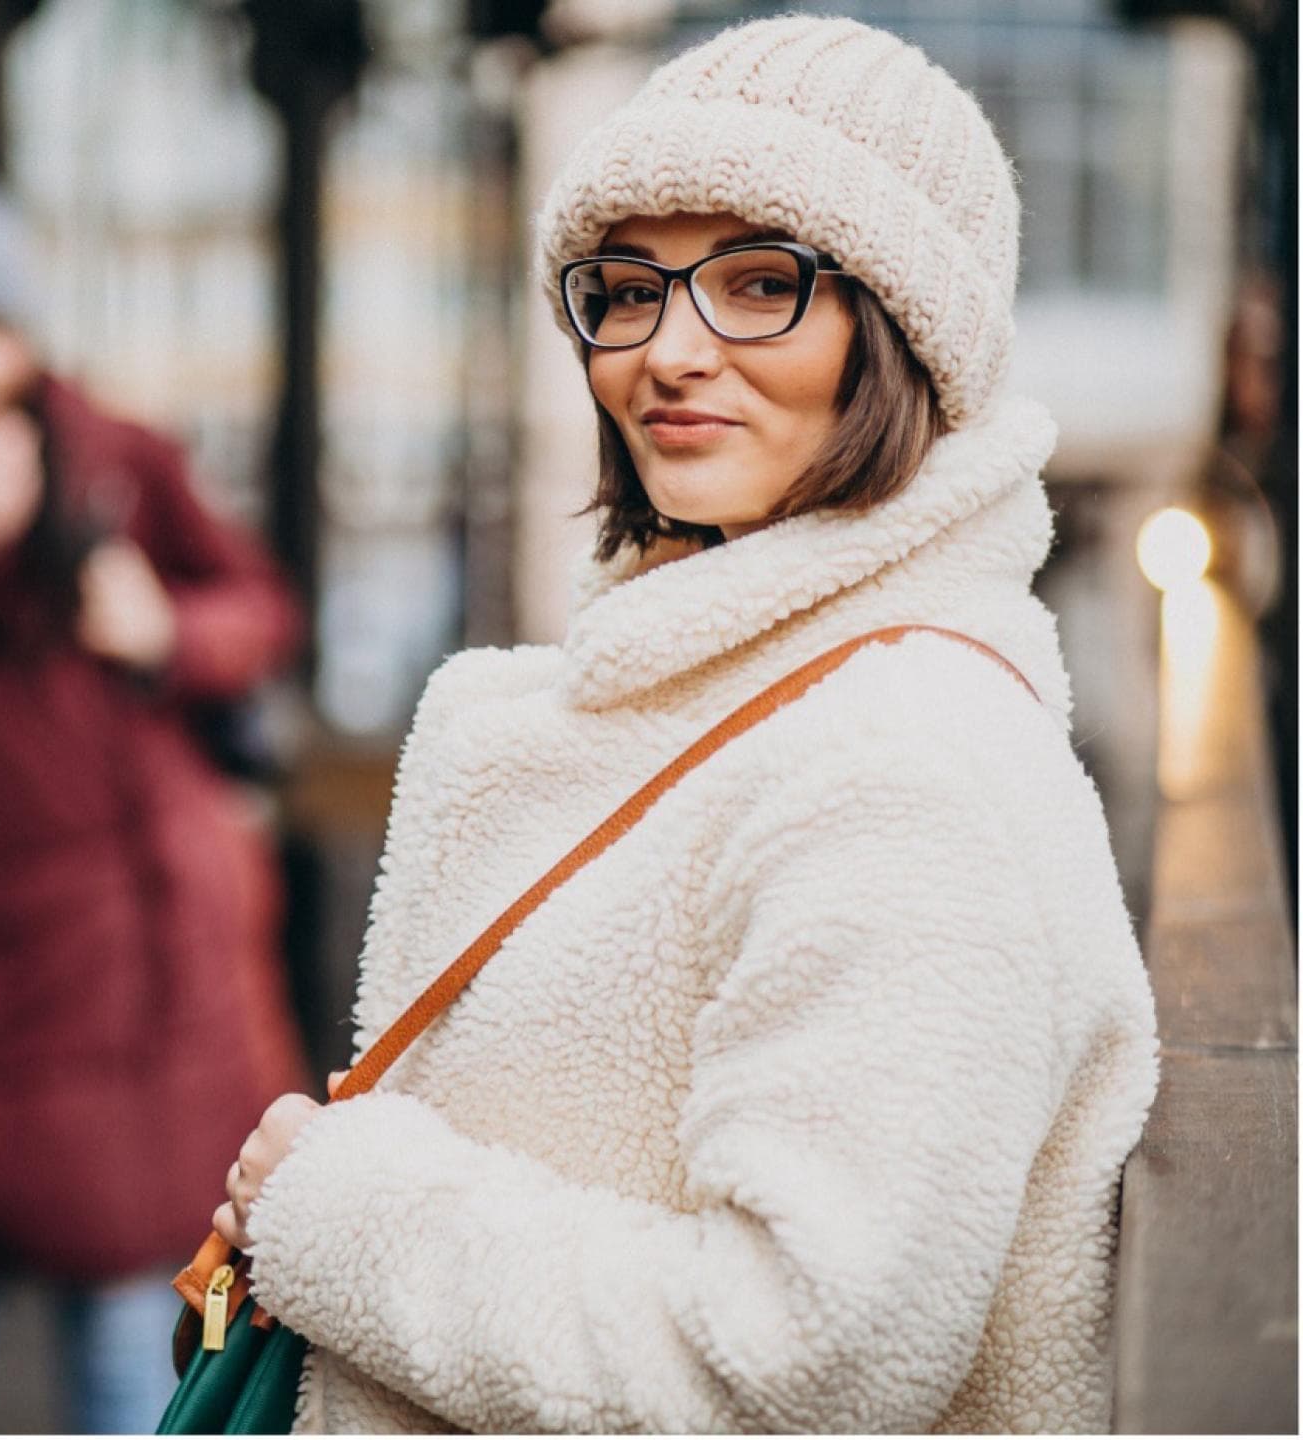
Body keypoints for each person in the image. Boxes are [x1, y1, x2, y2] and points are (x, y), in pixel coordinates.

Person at [214, 17, 1160, 1434]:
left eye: (760, 283)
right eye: (628, 290)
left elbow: (797, 1364)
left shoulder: (902, 767)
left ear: (907, 329)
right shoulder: (759, 699)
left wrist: (343, 1213)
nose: (667, 352)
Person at [0, 161, 306, 1435]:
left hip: (133, 960)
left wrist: (162, 629)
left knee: (125, 1335)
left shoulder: (116, 457)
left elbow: (261, 612)